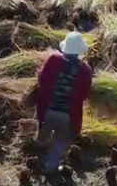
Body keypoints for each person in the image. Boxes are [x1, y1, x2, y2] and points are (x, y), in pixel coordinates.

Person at [31, 31, 94, 175]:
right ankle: (50, 167)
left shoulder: (53, 59)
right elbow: (84, 94)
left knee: (42, 136)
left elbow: (41, 80)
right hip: (67, 114)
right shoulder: (85, 70)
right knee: (59, 142)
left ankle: (36, 162)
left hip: (47, 109)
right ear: (79, 51)